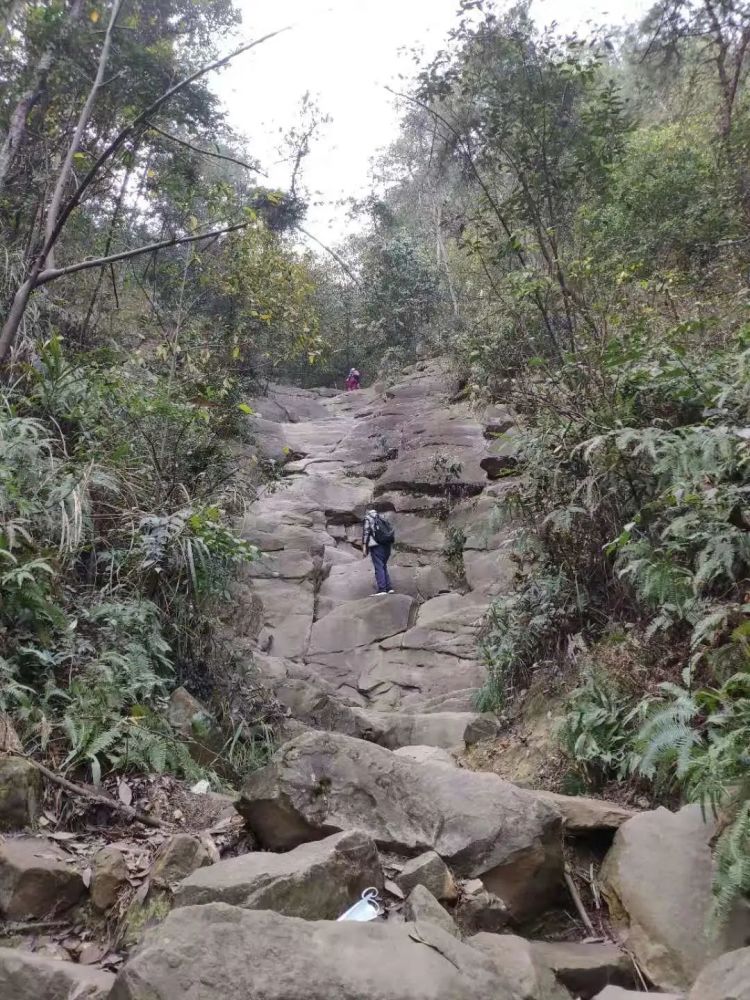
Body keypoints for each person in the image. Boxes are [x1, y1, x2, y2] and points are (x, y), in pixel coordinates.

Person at [362, 508, 395, 595]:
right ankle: (389, 588)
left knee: (379, 567)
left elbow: (366, 532)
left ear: (367, 511)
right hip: (387, 545)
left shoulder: (368, 518)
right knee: (384, 566)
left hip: (376, 545)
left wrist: (364, 546)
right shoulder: (382, 517)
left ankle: (382, 589)